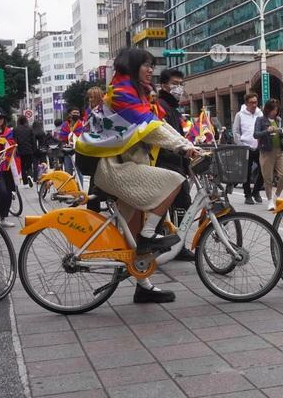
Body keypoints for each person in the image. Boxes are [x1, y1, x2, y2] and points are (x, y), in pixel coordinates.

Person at [76, 48, 201, 303]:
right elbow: (151, 129)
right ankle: (147, 238)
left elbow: (157, 124)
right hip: (110, 167)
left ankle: (142, 285)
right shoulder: (122, 94)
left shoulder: (135, 95)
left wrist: (187, 144)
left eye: (152, 65)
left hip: (121, 164)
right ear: (131, 66)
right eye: (146, 64)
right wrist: (182, 147)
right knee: (174, 180)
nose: (150, 70)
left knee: (131, 234)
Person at [155, 69, 194, 261]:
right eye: (175, 83)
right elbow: (164, 139)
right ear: (164, 85)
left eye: (181, 84)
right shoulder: (162, 106)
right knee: (181, 204)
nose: (179, 88)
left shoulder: (170, 106)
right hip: (167, 165)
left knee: (167, 208)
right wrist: (181, 153)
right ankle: (176, 246)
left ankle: (167, 244)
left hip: (174, 164)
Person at [254, 98, 283, 211]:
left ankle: (276, 196)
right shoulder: (260, 120)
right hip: (266, 152)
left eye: (276, 110)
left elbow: (280, 133)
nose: (275, 112)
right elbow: (255, 134)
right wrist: (267, 131)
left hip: (279, 150)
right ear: (267, 109)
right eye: (273, 109)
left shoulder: (278, 120)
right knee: (268, 178)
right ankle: (269, 200)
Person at [233, 93, 265, 204]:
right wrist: (241, 144)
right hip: (245, 147)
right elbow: (236, 132)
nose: (254, 104)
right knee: (246, 173)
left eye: (256, 102)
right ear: (246, 103)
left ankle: (256, 191)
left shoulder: (260, 114)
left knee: (264, 170)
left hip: (259, 147)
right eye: (252, 102)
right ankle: (248, 195)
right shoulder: (240, 115)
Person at [57, 107, 83, 178]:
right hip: (67, 151)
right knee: (68, 172)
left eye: (78, 113)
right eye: (74, 113)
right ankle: (69, 188)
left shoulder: (81, 125)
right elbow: (62, 138)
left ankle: (80, 188)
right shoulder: (65, 125)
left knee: (79, 172)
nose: (76, 114)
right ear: (69, 114)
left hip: (78, 151)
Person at [14, 115, 37, 186]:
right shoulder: (29, 129)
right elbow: (33, 140)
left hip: (20, 150)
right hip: (29, 150)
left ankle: (25, 182)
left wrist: (16, 150)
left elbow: (14, 140)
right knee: (29, 165)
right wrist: (34, 149)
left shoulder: (15, 129)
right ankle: (29, 175)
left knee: (22, 166)